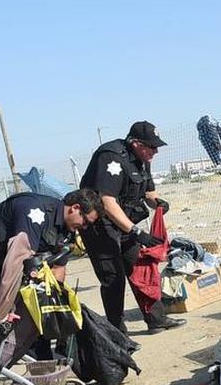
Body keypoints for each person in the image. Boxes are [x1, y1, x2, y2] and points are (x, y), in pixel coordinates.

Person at [0, 189, 102, 340]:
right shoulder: (33, 210)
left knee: (31, 322)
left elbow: (58, 268)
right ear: (75, 208)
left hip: (8, 265)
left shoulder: (66, 230)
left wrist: (52, 307)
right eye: (85, 222)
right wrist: (1, 314)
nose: (85, 228)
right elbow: (16, 262)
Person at [79, 121, 185, 333]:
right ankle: (118, 333)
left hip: (124, 224)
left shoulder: (142, 159)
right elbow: (107, 202)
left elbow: (148, 193)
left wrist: (158, 203)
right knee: (113, 278)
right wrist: (137, 232)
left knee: (141, 268)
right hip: (99, 226)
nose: (155, 151)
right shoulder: (111, 157)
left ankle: (156, 319)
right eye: (152, 147)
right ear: (136, 143)